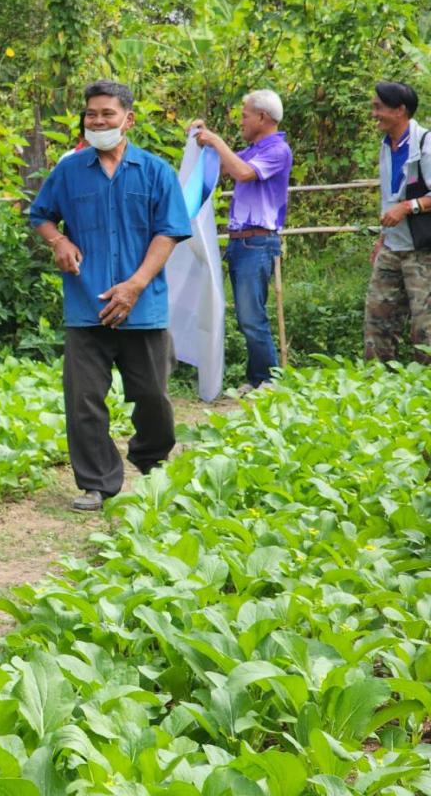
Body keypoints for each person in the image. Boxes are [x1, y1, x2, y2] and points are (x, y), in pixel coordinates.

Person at [29, 80, 191, 513]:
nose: (98, 121)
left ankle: (152, 460)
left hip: (145, 306)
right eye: (91, 114)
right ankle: (97, 483)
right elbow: (41, 215)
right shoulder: (68, 171)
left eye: (107, 114)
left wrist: (135, 284)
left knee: (153, 397)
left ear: (128, 120)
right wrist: (58, 242)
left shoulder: (156, 171)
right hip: (87, 306)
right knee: (83, 399)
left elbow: (170, 231)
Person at [189, 89, 292, 393]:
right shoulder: (252, 149)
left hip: (258, 242)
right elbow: (224, 167)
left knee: (252, 316)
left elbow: (244, 173)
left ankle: (269, 380)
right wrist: (200, 139)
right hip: (241, 243)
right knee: (247, 316)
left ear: (263, 117)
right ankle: (257, 377)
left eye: (245, 116)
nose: (242, 122)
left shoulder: (277, 150)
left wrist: (216, 141)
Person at [364, 80, 431, 363]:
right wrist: (381, 239)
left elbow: (404, 202)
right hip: (393, 246)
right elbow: (388, 198)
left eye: (378, 107)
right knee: (377, 316)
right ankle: (379, 384)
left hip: (423, 249)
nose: (374, 114)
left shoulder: (425, 143)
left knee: (425, 325)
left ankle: (422, 391)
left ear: (400, 110)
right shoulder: (386, 146)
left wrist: (408, 206)